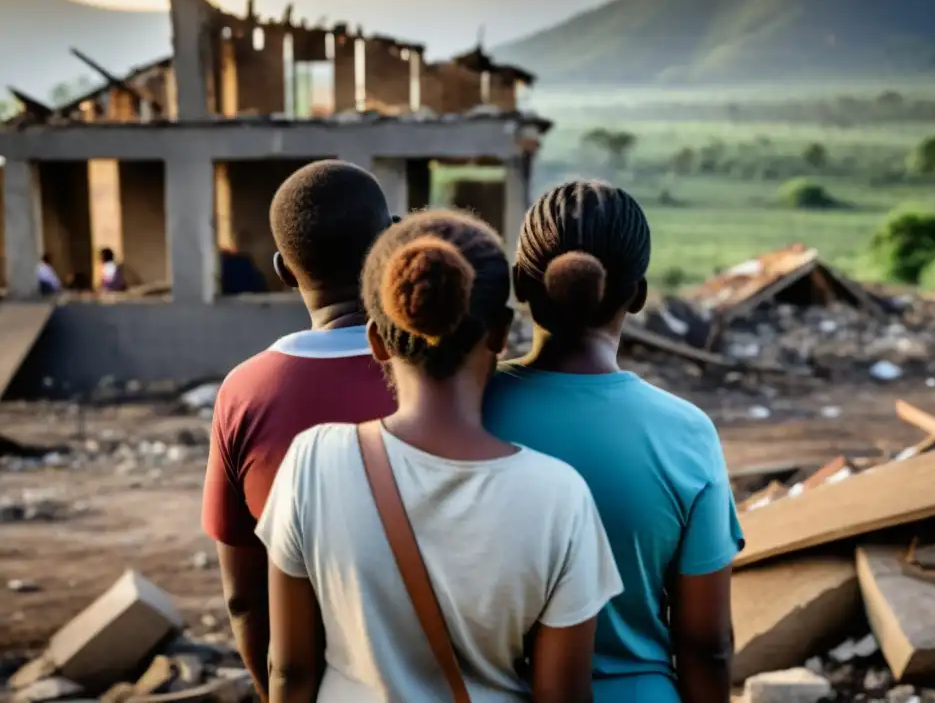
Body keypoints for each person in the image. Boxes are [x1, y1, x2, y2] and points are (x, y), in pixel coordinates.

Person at [256, 209, 624, 702]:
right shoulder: (560, 495)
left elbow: (289, 671)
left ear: (376, 341)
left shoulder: (313, 463)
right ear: (499, 333)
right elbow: (562, 696)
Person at [483, 181, 744, 703]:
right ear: (640, 294)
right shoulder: (685, 433)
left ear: (519, 284)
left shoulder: (468, 408)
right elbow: (705, 644)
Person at [201, 161, 398, 699]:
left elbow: (243, 597)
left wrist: (276, 692)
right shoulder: (444, 378)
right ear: (390, 242)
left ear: (284, 269)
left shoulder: (246, 393)